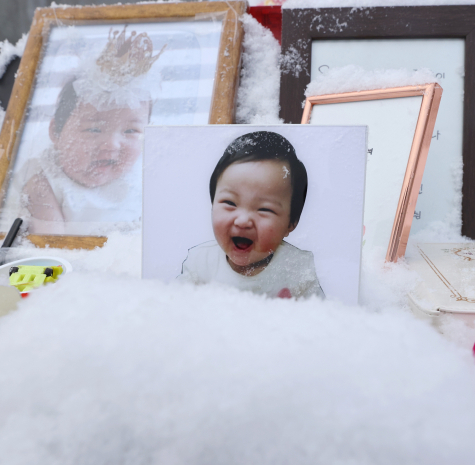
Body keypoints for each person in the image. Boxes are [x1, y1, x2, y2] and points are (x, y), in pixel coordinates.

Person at [21, 28, 164, 235]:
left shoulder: (143, 179)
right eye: (94, 129)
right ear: (56, 132)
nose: (113, 145)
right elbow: (50, 249)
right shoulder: (44, 186)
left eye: (131, 130)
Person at [178, 131, 325, 299]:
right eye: (230, 203)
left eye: (264, 209)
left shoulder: (296, 269)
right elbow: (176, 309)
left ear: (291, 223)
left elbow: (317, 319)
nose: (242, 221)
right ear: (212, 204)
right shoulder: (201, 264)